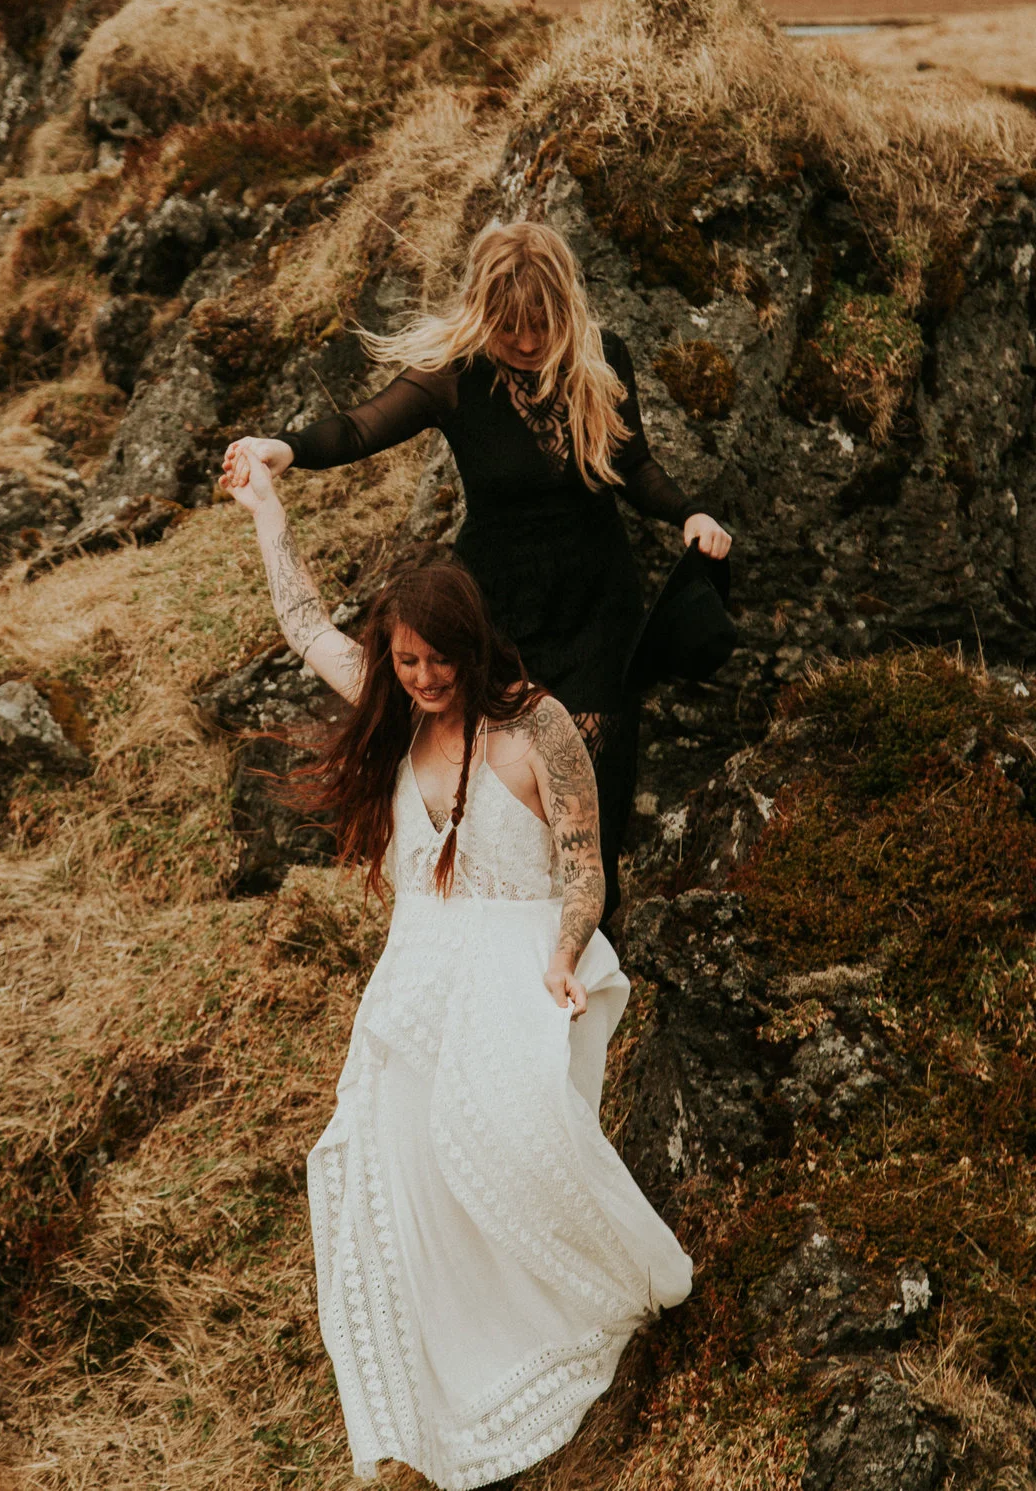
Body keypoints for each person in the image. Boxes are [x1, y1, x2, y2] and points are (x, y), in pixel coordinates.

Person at [221, 446, 692, 1490]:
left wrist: (567, 955)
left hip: (518, 953)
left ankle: (580, 1309)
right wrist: (266, 508)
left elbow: (583, 864)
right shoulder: (394, 712)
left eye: (441, 661)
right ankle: (434, 1398)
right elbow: (303, 622)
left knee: (509, 1137)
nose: (425, 680)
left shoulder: (540, 728)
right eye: (408, 663)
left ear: (474, 646)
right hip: (419, 968)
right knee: (384, 1161)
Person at [222, 220, 733, 922]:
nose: (525, 344)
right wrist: (282, 449)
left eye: (540, 328)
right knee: (497, 782)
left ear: (565, 312)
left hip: (596, 604)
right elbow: (359, 428)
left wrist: (690, 514)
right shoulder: (455, 374)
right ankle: (491, 933)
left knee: (592, 786)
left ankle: (587, 949)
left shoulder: (600, 358)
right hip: (495, 607)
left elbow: (632, 462)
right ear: (483, 314)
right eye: (509, 329)